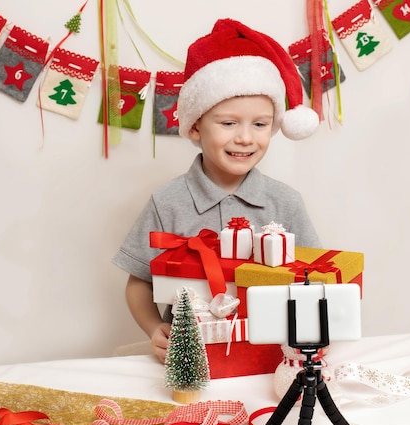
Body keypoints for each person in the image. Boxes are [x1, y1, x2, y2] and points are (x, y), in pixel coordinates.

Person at [112, 18, 322, 364]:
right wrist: (153, 329)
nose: (245, 137)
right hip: (194, 363)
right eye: (228, 123)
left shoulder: (285, 202)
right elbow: (139, 284)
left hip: (269, 360)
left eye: (260, 124)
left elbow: (314, 279)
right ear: (195, 127)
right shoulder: (167, 203)